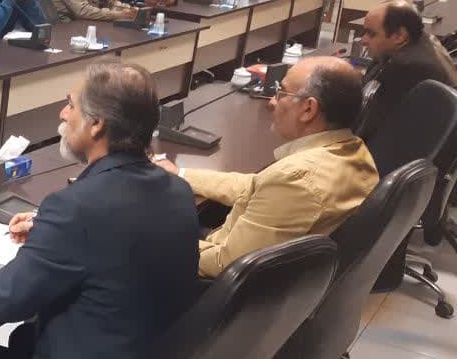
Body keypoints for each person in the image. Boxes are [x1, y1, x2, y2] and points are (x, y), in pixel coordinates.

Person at [0, 62, 200, 359]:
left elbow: (2, 301)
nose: (62, 113)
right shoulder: (178, 191)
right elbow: (120, 238)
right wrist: (50, 231)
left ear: (96, 124)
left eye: (71, 105)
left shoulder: (76, 208)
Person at [155, 56, 377, 278]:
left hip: (217, 282)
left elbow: (224, 263)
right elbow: (252, 186)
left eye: (281, 93)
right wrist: (180, 173)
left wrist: (148, 243)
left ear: (308, 109)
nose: (271, 102)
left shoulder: (295, 178)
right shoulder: (355, 152)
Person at [356, 0, 457, 143]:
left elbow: (366, 131)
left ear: (399, 36)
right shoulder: (421, 42)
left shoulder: (408, 67)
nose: (363, 40)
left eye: (371, 34)